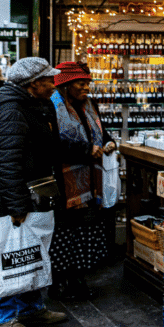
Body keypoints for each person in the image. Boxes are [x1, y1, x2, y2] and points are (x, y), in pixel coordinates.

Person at [0, 57, 67, 327]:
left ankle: (31, 307)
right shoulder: (11, 109)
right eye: (49, 80)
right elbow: (6, 162)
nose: (54, 85)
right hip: (14, 196)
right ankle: (3, 318)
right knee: (9, 252)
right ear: (34, 83)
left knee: (31, 249)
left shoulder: (37, 105)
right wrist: (16, 205)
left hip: (37, 190)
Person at [48, 62, 117, 301]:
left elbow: (100, 131)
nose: (86, 87)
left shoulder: (90, 105)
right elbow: (54, 144)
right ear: (66, 85)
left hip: (89, 181)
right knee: (63, 232)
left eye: (88, 83)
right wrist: (87, 149)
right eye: (81, 83)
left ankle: (78, 279)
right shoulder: (52, 106)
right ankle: (58, 281)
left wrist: (108, 142)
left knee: (84, 231)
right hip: (64, 182)